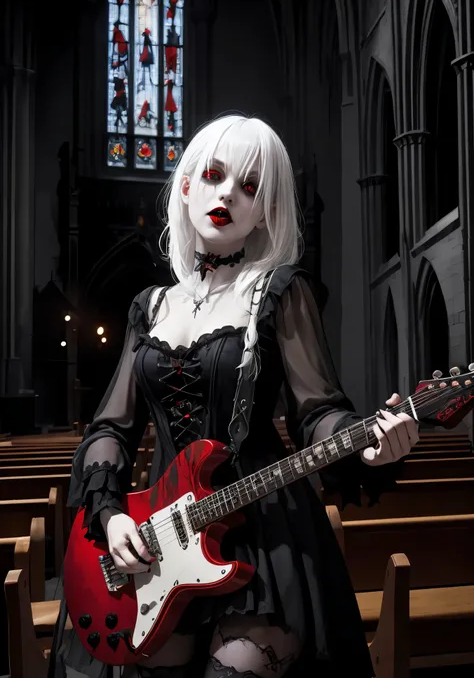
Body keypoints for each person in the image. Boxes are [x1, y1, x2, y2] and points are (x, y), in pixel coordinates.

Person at [63, 114, 419, 678]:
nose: (228, 192)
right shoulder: (150, 307)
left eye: (250, 186)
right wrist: (109, 516)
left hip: (263, 530)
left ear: (264, 210)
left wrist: (366, 445)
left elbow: (318, 411)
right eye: (214, 174)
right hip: (161, 533)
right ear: (185, 187)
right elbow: (111, 427)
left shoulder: (281, 292)